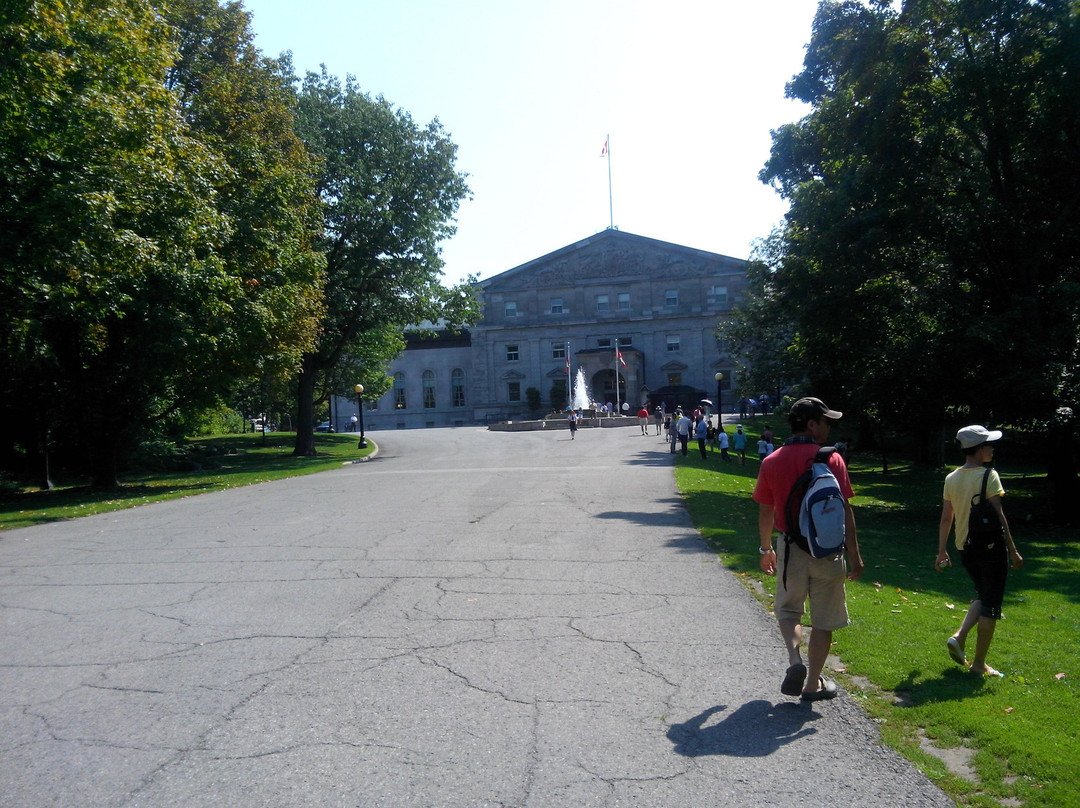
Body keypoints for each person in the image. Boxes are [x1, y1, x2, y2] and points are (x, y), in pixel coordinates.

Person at [753, 397, 863, 701]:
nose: (829, 426)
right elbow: (846, 511)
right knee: (824, 619)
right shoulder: (833, 459)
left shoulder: (772, 461)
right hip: (829, 552)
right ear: (812, 424)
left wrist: (766, 550)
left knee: (788, 610)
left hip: (791, 549)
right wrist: (855, 554)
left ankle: (795, 660)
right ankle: (813, 683)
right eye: (826, 421)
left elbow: (766, 512)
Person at [936, 425, 1023, 677]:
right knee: (991, 605)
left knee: (984, 593)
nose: (992, 448)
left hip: (964, 548)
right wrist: (1013, 550)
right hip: (990, 548)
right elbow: (999, 516)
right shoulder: (988, 476)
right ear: (979, 449)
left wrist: (941, 552)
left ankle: (959, 637)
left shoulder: (951, 478)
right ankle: (978, 665)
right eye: (989, 444)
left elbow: (945, 519)